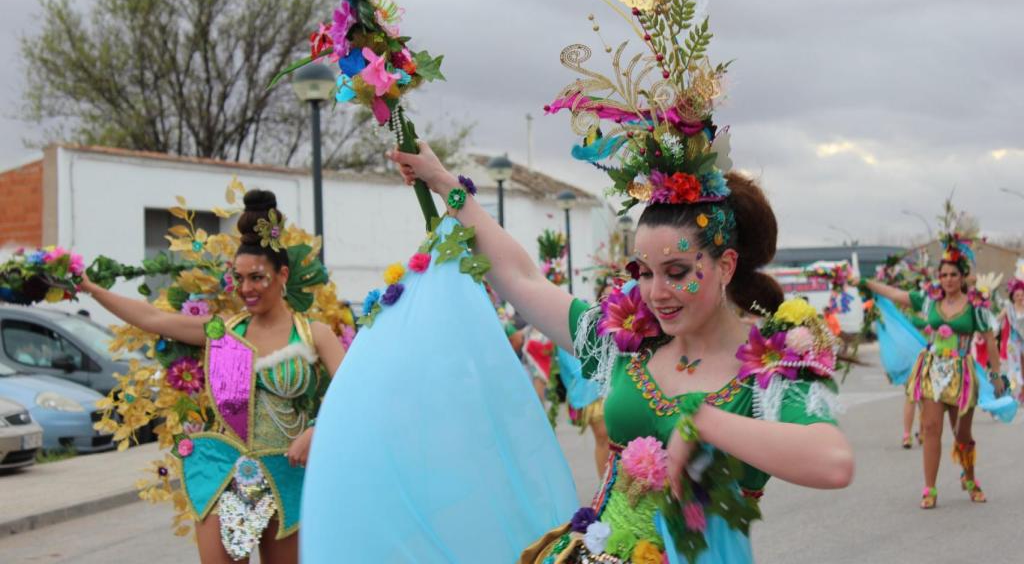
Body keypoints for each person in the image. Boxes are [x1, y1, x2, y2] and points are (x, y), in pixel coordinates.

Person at [391, 143, 854, 562]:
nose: (656, 292)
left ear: (725, 265)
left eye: (676, 271)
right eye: (645, 271)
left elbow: (833, 462)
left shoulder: (770, 366)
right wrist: (447, 184)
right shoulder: (627, 341)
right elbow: (523, 279)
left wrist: (705, 422)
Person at [81, 190, 345, 563]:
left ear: (283, 274)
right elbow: (152, 319)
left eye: (257, 277)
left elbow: (354, 393)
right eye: (239, 279)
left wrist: (317, 431)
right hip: (228, 472)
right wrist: (90, 289)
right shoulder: (223, 331)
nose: (247, 289)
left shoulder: (312, 333)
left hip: (290, 474)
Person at [860, 253, 1003, 508]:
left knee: (962, 434)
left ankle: (969, 478)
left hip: (962, 376)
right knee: (930, 429)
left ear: (962, 277)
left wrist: (995, 375)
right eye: (944, 275)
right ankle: (930, 488)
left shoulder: (975, 307)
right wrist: (864, 282)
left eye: (953, 275)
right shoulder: (929, 301)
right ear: (939, 278)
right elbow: (895, 295)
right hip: (933, 372)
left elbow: (990, 341)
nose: (948, 280)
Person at [999, 276, 1024, 400]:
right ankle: (1010, 391)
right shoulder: (1008, 308)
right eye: (1017, 295)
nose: (1020, 297)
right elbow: (997, 320)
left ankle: (1022, 393)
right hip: (1013, 342)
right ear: (1013, 296)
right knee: (1014, 368)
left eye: (1022, 295)